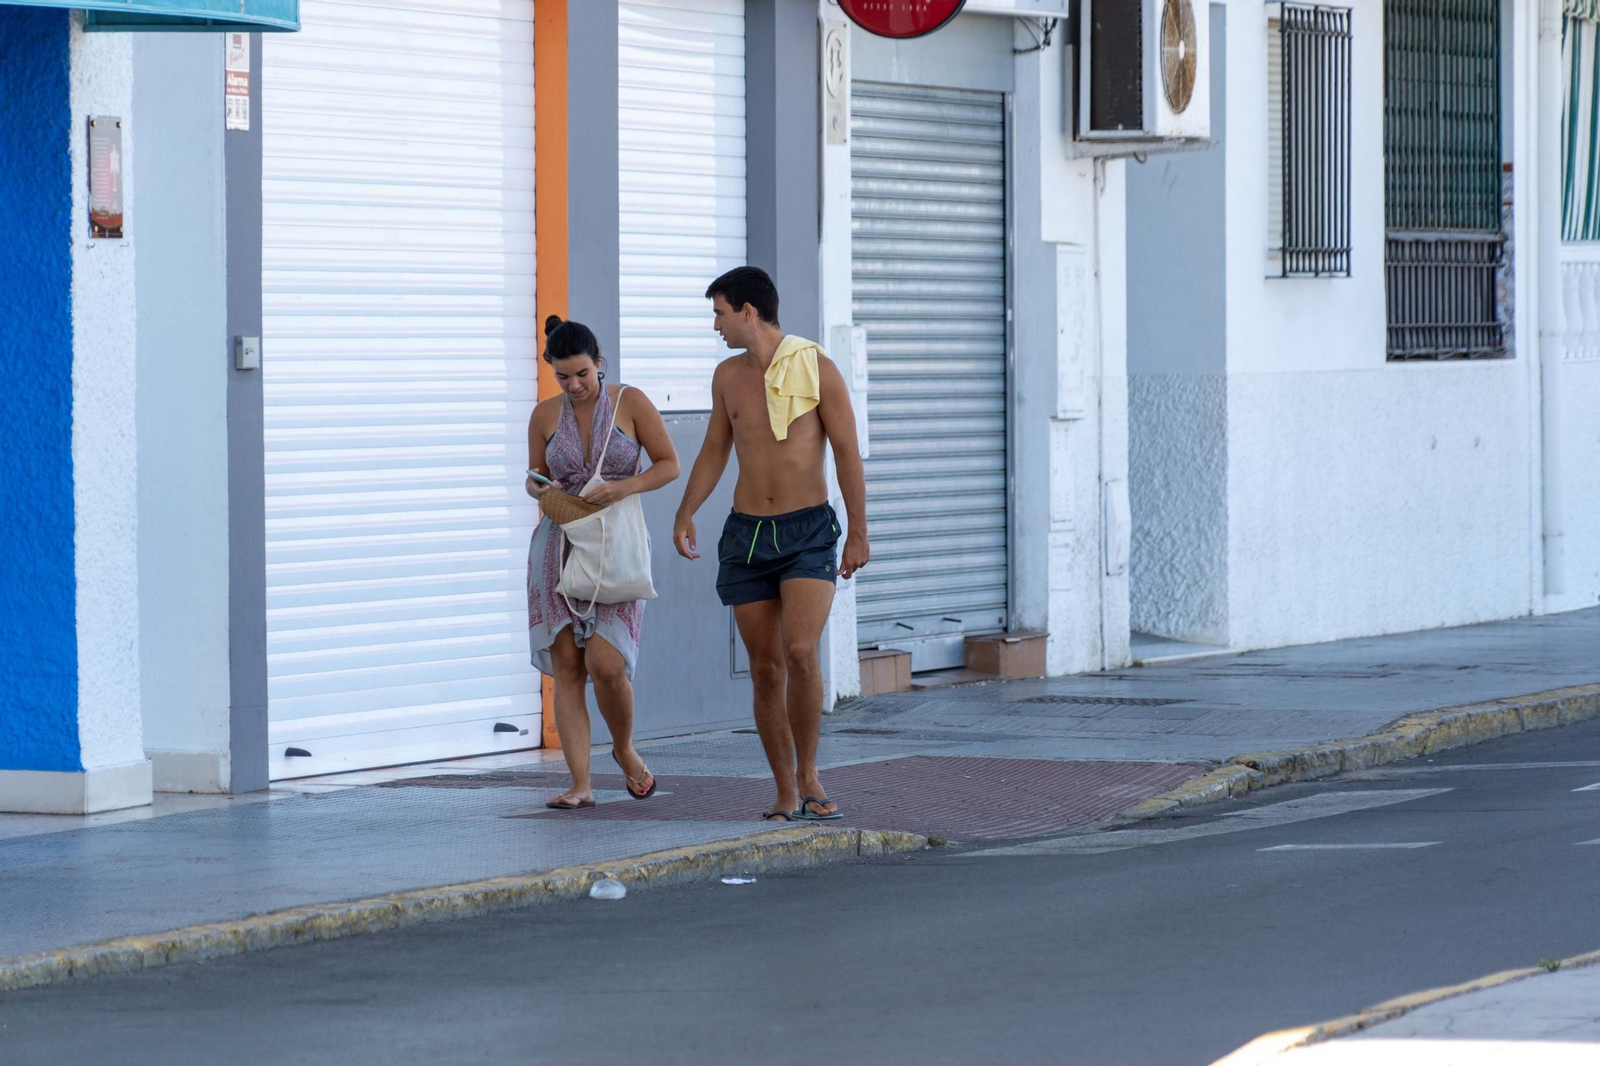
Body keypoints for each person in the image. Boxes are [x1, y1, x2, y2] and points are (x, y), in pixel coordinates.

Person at [672, 267, 869, 822]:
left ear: (748, 312)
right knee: (764, 668)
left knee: (800, 651)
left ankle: (809, 774)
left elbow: (847, 451)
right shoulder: (726, 377)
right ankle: (784, 789)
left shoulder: (817, 368)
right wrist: (686, 510)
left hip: (807, 531)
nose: (716, 325)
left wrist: (858, 530)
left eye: (719, 313)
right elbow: (715, 449)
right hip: (748, 534)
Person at [526, 315, 680, 810]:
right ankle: (580, 784)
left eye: (582, 374)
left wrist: (624, 487)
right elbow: (535, 477)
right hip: (559, 546)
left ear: (600, 363)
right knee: (568, 667)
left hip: (618, 544)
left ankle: (623, 748)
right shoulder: (544, 415)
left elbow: (669, 464)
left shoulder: (631, 402)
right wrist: (538, 488)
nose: (574, 385)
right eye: (562, 377)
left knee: (607, 664)